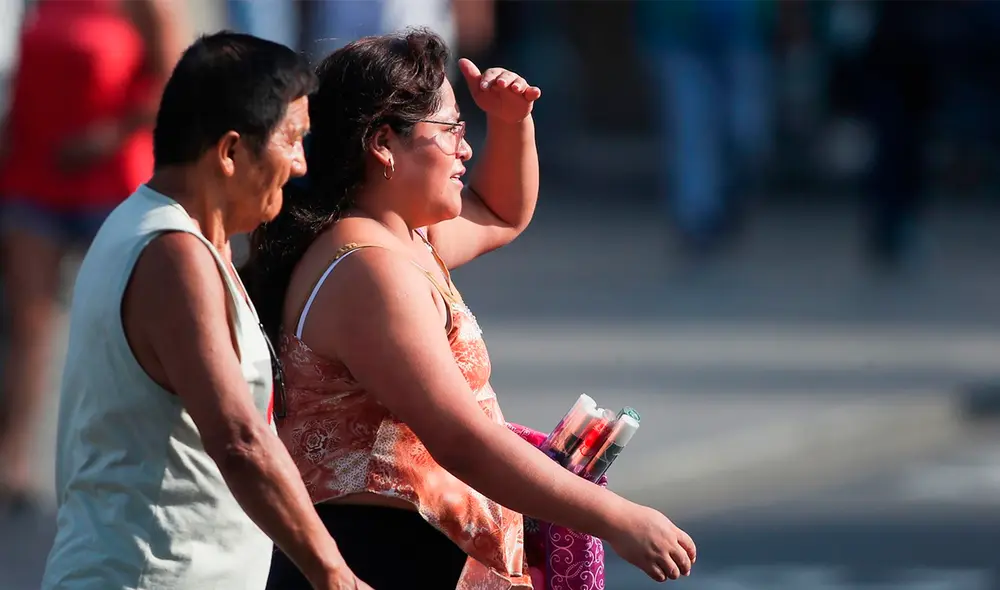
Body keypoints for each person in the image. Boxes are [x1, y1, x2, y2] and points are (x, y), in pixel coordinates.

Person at [241, 28, 696, 589]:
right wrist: (619, 519)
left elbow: (501, 213)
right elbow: (462, 440)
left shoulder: (402, 238)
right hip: (376, 560)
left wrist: (510, 120)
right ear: (383, 143)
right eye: (451, 128)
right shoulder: (367, 271)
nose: (466, 146)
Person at [41, 31, 370, 590]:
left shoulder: (174, 237)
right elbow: (240, 440)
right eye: (292, 140)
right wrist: (335, 575)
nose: (298, 165)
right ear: (231, 151)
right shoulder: (172, 254)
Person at [0, 0, 184, 510]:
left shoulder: (144, 5)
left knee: (119, 325)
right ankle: (12, 460)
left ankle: (128, 460)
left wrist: (107, 136)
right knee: (28, 329)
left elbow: (172, 84)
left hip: (111, 179)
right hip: (34, 176)